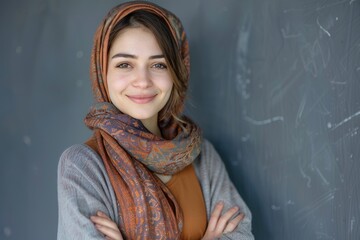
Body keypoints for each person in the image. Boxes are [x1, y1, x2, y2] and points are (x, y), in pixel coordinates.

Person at [57, 1, 254, 239]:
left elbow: (241, 234)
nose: (143, 80)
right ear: (102, 71)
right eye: (125, 64)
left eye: (159, 64)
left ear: (176, 72)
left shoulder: (200, 155)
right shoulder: (83, 166)